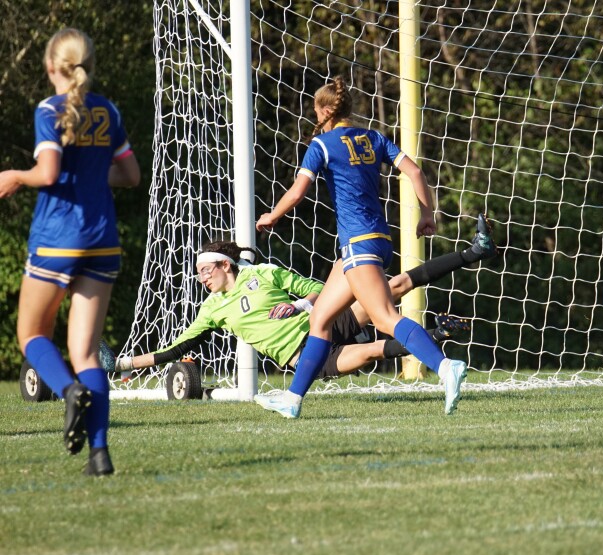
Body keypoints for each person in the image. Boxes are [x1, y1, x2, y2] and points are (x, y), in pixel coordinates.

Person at [256, 76, 472, 418]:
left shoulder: (322, 145)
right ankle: (292, 400)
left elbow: (298, 192)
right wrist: (427, 214)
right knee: (321, 319)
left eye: (315, 110)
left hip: (359, 244)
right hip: (377, 241)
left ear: (326, 110)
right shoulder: (373, 138)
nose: (314, 116)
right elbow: (414, 171)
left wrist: (272, 216)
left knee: (385, 318)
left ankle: (446, 368)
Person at [111, 222, 495, 395]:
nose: (201, 277)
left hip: (324, 320)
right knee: (371, 352)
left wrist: (298, 305)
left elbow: (320, 289)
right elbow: (176, 349)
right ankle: (438, 334)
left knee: (392, 286)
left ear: (224, 265)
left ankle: (472, 252)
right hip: (306, 357)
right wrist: (125, 364)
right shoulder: (213, 309)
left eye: (204, 270)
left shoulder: (264, 274)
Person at [0, 29, 141, 476]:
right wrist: (92, 180)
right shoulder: (109, 110)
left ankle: (67, 392)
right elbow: (131, 175)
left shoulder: (49, 109)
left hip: (58, 238)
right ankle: (99, 457)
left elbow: (48, 171)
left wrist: (15, 176)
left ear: (50, 66)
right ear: (89, 64)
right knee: (85, 354)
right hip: (103, 240)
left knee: (31, 335)